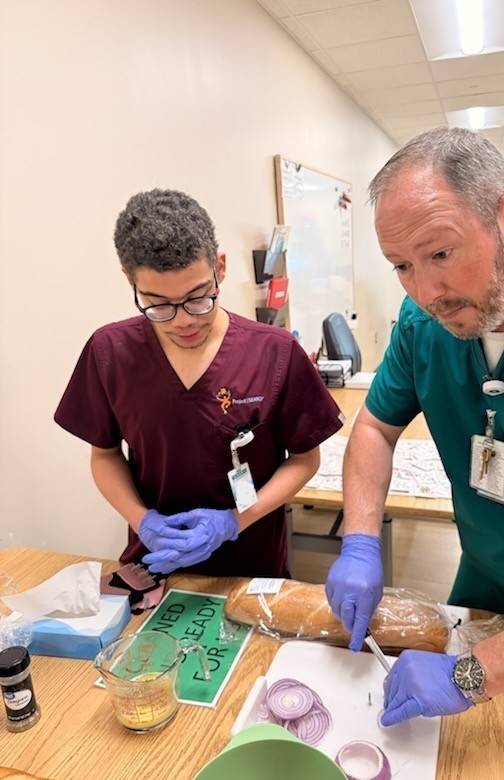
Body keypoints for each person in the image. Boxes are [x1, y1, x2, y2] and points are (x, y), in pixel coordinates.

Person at [325, 127, 504, 780]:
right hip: (483, 591)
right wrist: (359, 539)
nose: (424, 291)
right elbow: (373, 431)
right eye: (401, 267)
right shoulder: (428, 324)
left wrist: (469, 676)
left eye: (439, 253)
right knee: (473, 774)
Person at [55, 188, 343, 578]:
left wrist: (232, 522)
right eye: (158, 304)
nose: (183, 321)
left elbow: (305, 459)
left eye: (198, 297)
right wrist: (143, 522)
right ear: (130, 281)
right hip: (154, 564)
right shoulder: (111, 352)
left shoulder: (275, 352)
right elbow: (105, 455)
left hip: (253, 563)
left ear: (219, 268)